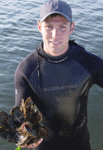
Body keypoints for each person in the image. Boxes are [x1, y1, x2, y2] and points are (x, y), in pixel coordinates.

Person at [14, 0, 103, 149]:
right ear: (39, 27)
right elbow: (19, 117)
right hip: (43, 144)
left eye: (62, 27)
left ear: (72, 27)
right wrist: (22, 134)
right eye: (49, 27)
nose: (55, 35)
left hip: (79, 143)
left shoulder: (87, 62)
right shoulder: (26, 70)